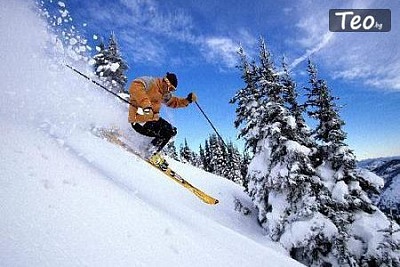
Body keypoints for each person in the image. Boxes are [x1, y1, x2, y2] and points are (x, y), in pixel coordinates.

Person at [128, 72, 197, 167]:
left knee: (172, 131)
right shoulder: (150, 82)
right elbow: (135, 86)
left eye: (173, 90)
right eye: (170, 88)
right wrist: (146, 105)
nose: (170, 91)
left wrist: (187, 100)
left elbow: (173, 102)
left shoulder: (164, 93)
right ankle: (149, 152)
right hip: (139, 117)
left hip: (151, 119)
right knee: (167, 132)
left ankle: (148, 149)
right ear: (165, 81)